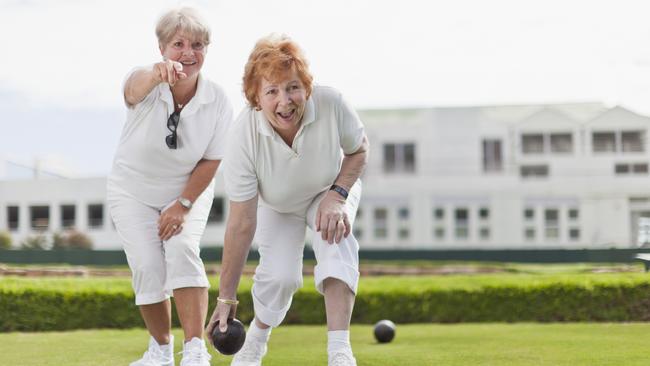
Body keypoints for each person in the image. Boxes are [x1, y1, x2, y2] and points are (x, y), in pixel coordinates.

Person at [206, 34, 369, 366]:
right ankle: (256, 341)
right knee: (280, 277)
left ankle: (340, 350)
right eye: (271, 91)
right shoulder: (241, 137)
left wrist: (338, 195)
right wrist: (226, 297)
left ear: (306, 87)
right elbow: (240, 224)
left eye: (293, 87)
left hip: (329, 190)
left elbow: (359, 150)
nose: (285, 101)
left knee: (334, 237)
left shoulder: (331, 102)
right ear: (256, 98)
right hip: (277, 205)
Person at [107, 7, 232, 366]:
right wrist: (155, 76)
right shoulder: (143, 82)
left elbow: (212, 160)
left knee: (181, 250)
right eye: (178, 44)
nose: (188, 53)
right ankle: (159, 352)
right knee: (147, 265)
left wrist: (183, 204)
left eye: (197, 44)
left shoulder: (218, 100)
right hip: (131, 191)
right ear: (162, 47)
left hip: (186, 192)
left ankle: (194, 349)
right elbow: (133, 89)